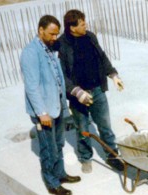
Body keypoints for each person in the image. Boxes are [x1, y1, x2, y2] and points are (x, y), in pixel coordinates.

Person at [20, 15, 81, 195]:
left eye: (57, 34)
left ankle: (60, 174)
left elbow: (57, 78)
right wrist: (41, 112)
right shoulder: (30, 53)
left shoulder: (49, 49)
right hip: (45, 111)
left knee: (59, 143)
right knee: (48, 149)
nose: (55, 38)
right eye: (51, 34)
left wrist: (63, 106)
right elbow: (31, 86)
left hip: (57, 107)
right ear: (40, 30)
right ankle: (52, 183)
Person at [57, 9, 124, 174]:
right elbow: (60, 75)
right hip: (78, 95)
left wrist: (113, 75)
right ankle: (85, 157)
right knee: (82, 129)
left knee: (105, 126)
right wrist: (76, 92)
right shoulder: (62, 45)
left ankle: (112, 155)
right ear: (72, 28)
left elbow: (102, 57)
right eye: (82, 24)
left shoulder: (90, 37)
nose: (85, 25)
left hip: (97, 89)